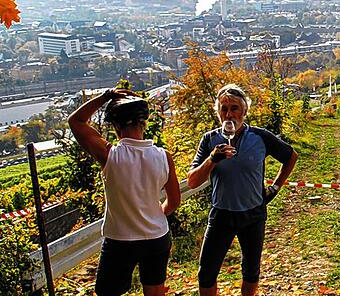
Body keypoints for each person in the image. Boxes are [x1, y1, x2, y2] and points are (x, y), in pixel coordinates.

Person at [188, 83, 298, 296]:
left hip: (253, 214)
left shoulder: (260, 137)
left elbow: (290, 157)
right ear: (218, 112)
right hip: (221, 215)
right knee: (206, 273)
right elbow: (192, 181)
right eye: (224, 109)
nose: (229, 114)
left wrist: (275, 187)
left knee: (251, 272)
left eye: (234, 108)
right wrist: (212, 159)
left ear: (245, 110)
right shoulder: (210, 140)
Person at [68, 89, 180, 296]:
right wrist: (154, 215)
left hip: (120, 240)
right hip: (157, 236)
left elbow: (76, 121)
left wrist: (105, 96)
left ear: (115, 127)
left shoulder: (110, 155)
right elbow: (173, 201)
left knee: (107, 292)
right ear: (143, 124)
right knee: (155, 292)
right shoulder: (164, 156)